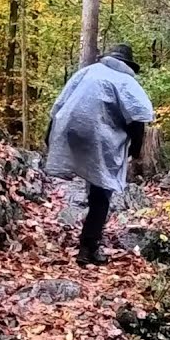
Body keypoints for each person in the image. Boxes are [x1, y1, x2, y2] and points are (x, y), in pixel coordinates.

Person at [45, 44, 154, 266]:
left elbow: (60, 104)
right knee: (102, 191)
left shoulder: (87, 72)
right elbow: (138, 119)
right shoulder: (127, 82)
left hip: (69, 128)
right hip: (99, 135)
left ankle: (87, 235)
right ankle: (88, 248)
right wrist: (135, 151)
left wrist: (50, 136)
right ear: (127, 64)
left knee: (92, 179)